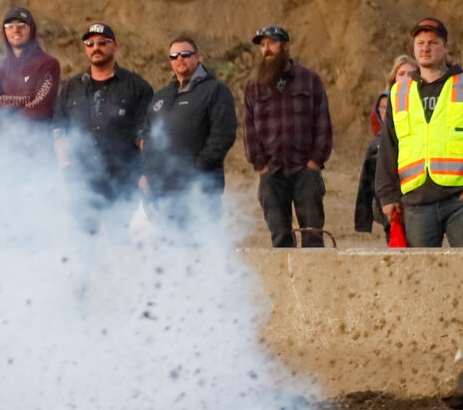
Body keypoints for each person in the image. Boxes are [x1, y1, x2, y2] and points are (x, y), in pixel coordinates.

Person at [238, 25, 332, 249]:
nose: (266, 49)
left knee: (312, 236)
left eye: (272, 43)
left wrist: (315, 161)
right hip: (272, 174)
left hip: (305, 172)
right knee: (280, 238)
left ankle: (312, 282)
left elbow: (323, 122)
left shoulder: (309, 80)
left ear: (286, 46)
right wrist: (260, 165)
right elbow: (249, 128)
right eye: (263, 45)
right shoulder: (254, 85)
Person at [54, 24, 152, 232]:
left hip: (123, 181)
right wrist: (66, 169)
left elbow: (147, 135)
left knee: (121, 247)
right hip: (82, 183)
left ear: (115, 46)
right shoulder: (71, 88)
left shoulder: (137, 88)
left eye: (102, 42)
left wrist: (145, 173)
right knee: (82, 247)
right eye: (90, 43)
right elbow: (59, 132)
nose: (95, 47)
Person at [140, 37, 239, 237]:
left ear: (198, 57)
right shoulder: (161, 97)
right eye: (174, 56)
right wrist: (146, 174)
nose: (180, 59)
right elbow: (146, 136)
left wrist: (194, 169)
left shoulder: (216, 91)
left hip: (200, 188)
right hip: (163, 191)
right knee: (170, 253)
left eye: (185, 54)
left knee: (202, 249)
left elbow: (223, 135)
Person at [380, 18, 463, 249]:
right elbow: (388, 146)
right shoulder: (399, 92)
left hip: (458, 200)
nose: (425, 48)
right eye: (420, 43)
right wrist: (387, 196)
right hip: (416, 202)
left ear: (445, 47)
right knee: (420, 277)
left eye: (433, 42)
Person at [357, 55, 418, 247]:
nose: (406, 77)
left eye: (411, 73)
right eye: (401, 74)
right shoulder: (387, 102)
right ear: (394, 79)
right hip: (388, 183)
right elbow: (379, 139)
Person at [0, 8, 60, 123]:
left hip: (36, 138)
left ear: (31, 30)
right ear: (4, 31)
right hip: (1, 140)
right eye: (10, 26)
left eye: (22, 25)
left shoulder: (48, 64)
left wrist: (4, 102)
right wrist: (28, 97)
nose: (16, 30)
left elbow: (41, 108)